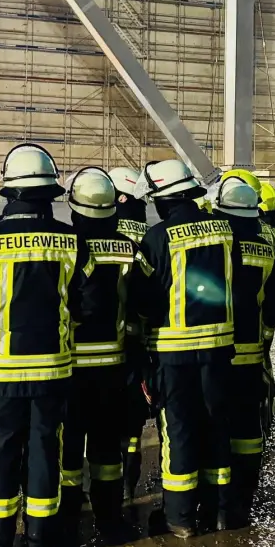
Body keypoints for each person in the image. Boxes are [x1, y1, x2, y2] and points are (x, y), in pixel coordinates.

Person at [0, 144, 93, 547]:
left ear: (10, 191)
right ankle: (40, 543)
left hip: (1, 369)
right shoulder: (72, 240)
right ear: (50, 192)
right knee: (44, 453)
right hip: (54, 370)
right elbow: (87, 303)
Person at [130, 159, 237, 537]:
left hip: (175, 353)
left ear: (163, 199)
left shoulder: (158, 237)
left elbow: (144, 299)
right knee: (216, 426)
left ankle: (179, 517)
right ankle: (220, 511)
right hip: (221, 348)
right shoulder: (225, 230)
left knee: (179, 431)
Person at [61, 167, 139, 545]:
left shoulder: (66, 244)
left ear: (75, 209)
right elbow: (141, 305)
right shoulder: (129, 246)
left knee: (69, 448)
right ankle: (110, 520)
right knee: (108, 448)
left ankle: (68, 518)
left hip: (71, 366)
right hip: (114, 365)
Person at [214, 176, 275, 528]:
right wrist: (264, 341)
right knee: (248, 430)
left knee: (217, 428)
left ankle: (218, 502)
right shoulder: (266, 248)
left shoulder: (214, 245)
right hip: (252, 353)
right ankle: (242, 499)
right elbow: (273, 301)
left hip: (219, 353)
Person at [108, 166, 151, 502]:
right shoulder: (148, 233)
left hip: (102, 341)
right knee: (133, 423)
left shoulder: (106, 229)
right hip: (140, 341)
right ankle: (127, 488)